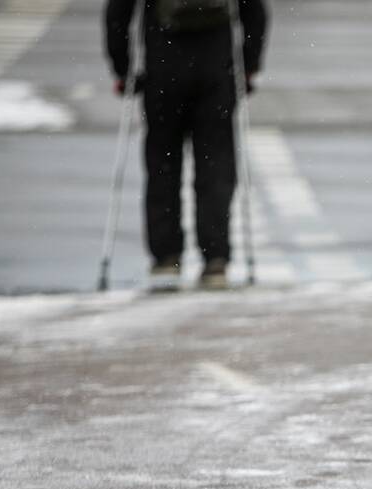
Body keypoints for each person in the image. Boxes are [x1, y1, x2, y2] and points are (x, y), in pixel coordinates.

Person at [104, 0, 269, 288]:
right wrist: (249, 64)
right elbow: (255, 11)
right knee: (215, 164)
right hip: (216, 72)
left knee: (162, 164)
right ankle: (215, 258)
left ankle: (166, 256)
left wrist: (123, 68)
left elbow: (118, 12)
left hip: (163, 69)